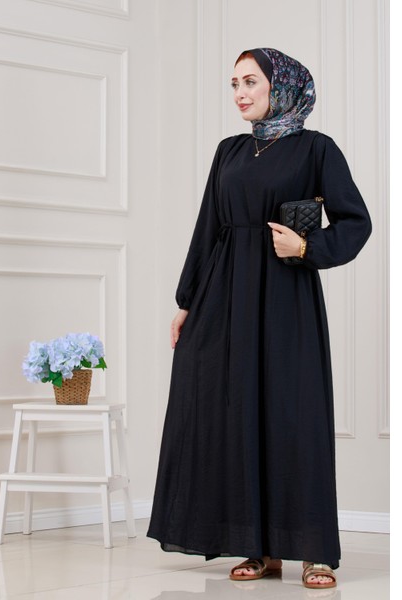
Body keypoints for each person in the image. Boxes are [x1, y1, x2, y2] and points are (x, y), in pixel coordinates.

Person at [147, 47, 372, 590]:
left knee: (294, 413)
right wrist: (186, 302)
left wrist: (307, 246)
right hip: (224, 294)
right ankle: (259, 547)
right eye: (234, 84)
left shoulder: (317, 149)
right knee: (236, 412)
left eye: (250, 81)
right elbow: (208, 229)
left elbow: (355, 222)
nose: (240, 93)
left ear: (282, 85)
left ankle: (314, 551)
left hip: (286, 293)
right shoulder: (229, 151)